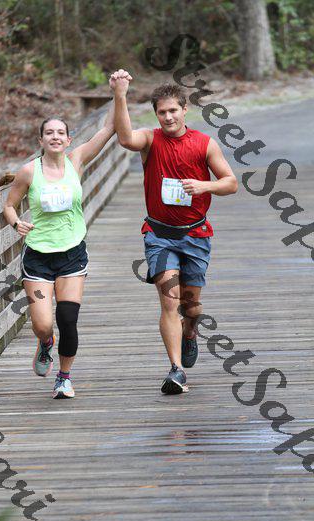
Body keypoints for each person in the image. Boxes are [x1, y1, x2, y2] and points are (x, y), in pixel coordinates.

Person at [110, 70, 238, 395]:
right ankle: (176, 369)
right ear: (156, 115)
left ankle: (190, 331)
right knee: (170, 302)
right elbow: (125, 139)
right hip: (159, 235)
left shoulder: (204, 144)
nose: (168, 117)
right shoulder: (150, 140)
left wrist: (204, 186)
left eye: (173, 111)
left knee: (191, 307)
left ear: (184, 110)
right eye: (162, 112)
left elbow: (231, 183)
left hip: (195, 235)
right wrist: (120, 94)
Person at [3, 103, 117, 399]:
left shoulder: (76, 161)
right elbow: (9, 205)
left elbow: (108, 129)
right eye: (49, 133)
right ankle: (45, 343)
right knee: (43, 324)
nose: (55, 136)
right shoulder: (29, 171)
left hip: (72, 255)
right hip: (38, 257)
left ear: (68, 140)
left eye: (60, 133)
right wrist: (16, 223)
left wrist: (119, 94)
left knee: (67, 320)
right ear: (40, 140)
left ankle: (64, 378)